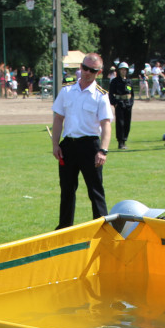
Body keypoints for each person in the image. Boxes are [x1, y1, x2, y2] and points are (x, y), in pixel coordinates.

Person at [51, 52, 113, 230]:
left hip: (90, 146)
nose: (87, 73)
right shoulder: (67, 91)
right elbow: (58, 119)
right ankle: (64, 229)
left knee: (95, 191)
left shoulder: (101, 95)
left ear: (98, 72)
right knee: (67, 190)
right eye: (84, 68)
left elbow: (106, 124)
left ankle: (102, 228)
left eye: (92, 70)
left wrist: (103, 150)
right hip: (68, 146)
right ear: (80, 67)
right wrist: (55, 144)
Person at [109, 61, 135, 149]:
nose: (123, 71)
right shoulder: (115, 81)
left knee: (127, 122)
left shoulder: (129, 81)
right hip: (119, 103)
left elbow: (132, 94)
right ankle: (120, 142)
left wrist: (131, 103)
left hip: (128, 104)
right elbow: (111, 94)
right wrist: (115, 103)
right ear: (119, 70)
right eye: (122, 70)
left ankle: (124, 140)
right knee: (120, 123)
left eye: (125, 70)